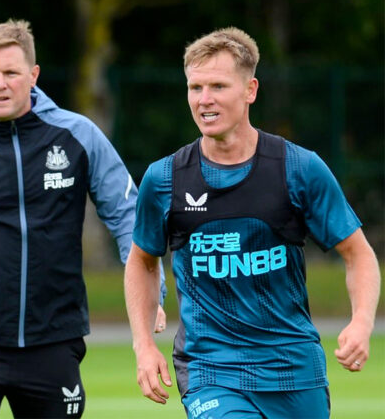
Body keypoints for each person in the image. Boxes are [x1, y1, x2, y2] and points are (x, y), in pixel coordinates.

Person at [0, 19, 166, 419]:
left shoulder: (78, 135)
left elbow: (129, 218)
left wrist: (153, 297)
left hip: (54, 341)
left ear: (33, 75)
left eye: (11, 73)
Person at [124, 27, 381, 418]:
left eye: (218, 86)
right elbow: (142, 261)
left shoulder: (299, 168)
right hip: (210, 369)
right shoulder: (165, 179)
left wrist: (361, 323)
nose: (204, 100)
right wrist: (143, 345)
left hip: (294, 369)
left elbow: (358, 254)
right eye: (195, 88)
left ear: (250, 90)